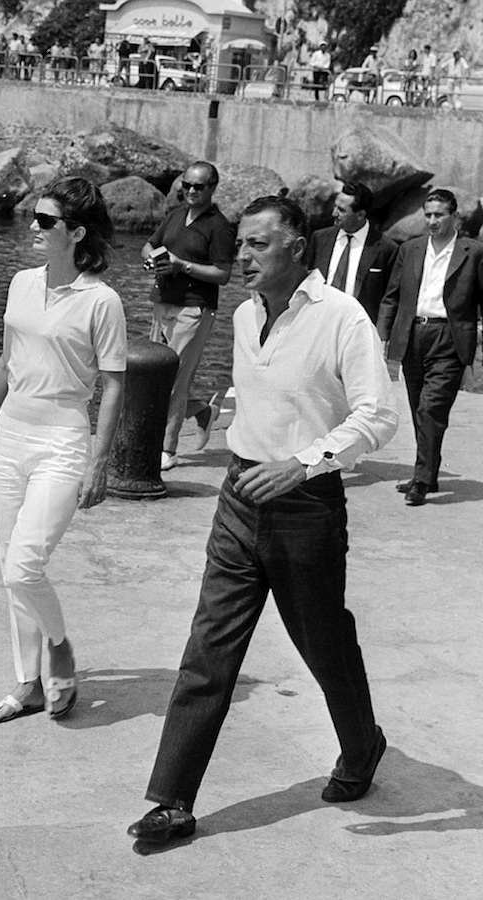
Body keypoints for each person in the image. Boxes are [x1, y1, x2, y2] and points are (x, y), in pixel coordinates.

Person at [127, 195, 398, 848]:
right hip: (239, 496)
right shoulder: (247, 315)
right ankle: (171, 800)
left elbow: (379, 415)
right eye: (240, 244)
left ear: (296, 248)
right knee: (208, 648)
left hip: (306, 507)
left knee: (323, 644)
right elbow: (262, 396)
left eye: (256, 244)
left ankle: (361, 748)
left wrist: (303, 463)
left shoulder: (341, 319)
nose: (241, 256)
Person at [0, 176, 127, 724]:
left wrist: (98, 462)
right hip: (12, 434)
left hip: (62, 440)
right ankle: (26, 683)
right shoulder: (20, 283)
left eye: (45, 221)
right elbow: (4, 363)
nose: (33, 228)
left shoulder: (101, 301)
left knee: (23, 565)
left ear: (76, 232)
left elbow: (114, 385)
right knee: (10, 566)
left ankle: (59, 646)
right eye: (34, 218)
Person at [377, 187, 483, 506]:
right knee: (418, 407)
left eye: (439, 215)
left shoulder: (473, 252)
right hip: (412, 335)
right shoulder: (410, 249)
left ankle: (421, 481)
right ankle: (429, 472)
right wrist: (383, 334)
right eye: (428, 215)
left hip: (449, 336)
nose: (432, 221)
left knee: (431, 407)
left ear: (455, 217)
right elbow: (392, 295)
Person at [141, 161, 236, 470]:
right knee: (155, 375)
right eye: (187, 185)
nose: (191, 191)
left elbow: (222, 274)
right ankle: (201, 411)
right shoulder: (175, 216)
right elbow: (149, 246)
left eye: (199, 186)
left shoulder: (219, 226)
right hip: (163, 301)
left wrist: (183, 266)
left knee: (174, 380)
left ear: (212, 188)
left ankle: (167, 448)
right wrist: (154, 260)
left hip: (195, 307)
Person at [305, 182, 398, 323]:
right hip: (319, 322)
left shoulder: (386, 249)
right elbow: (308, 281)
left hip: (358, 327)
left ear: (360, 214)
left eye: (341, 210)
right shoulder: (320, 239)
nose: (334, 213)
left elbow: (389, 298)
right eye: (335, 206)